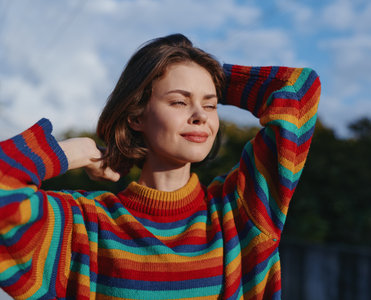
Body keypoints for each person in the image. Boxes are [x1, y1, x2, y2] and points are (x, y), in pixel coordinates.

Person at [0, 34, 321, 299]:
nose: (201, 115)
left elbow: (297, 91)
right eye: (180, 101)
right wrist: (75, 151)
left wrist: (199, 67)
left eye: (210, 104)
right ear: (136, 116)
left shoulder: (241, 212)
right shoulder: (85, 224)